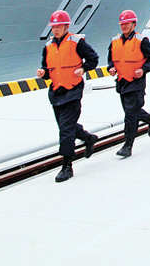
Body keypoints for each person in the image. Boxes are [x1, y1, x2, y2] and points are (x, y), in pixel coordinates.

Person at [37, 10, 99, 183]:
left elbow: (93, 59)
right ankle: (88, 138)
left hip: (73, 91)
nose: (55, 30)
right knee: (67, 127)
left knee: (65, 130)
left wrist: (84, 69)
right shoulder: (48, 46)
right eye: (53, 27)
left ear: (66, 26)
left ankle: (66, 166)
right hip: (56, 92)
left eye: (58, 26)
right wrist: (43, 73)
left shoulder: (77, 42)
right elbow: (47, 70)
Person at [107, 10, 150, 157]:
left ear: (134, 24)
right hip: (122, 82)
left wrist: (143, 69)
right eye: (122, 24)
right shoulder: (115, 41)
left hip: (136, 83)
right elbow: (110, 58)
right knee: (132, 112)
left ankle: (127, 146)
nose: (123, 26)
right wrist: (111, 67)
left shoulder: (142, 41)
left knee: (130, 115)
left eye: (126, 24)